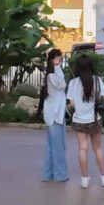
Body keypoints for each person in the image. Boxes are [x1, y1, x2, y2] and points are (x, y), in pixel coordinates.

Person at [67, 54, 104, 188]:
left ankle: (85, 179)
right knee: (97, 148)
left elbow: (72, 104)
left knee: (82, 149)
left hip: (79, 120)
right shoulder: (97, 80)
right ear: (91, 66)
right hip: (94, 120)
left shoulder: (73, 83)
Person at [40, 48, 68, 183]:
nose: (60, 59)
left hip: (56, 114)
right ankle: (59, 175)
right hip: (55, 115)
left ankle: (49, 174)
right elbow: (62, 84)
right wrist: (57, 67)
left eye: (60, 57)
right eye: (57, 57)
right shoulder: (52, 75)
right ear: (52, 61)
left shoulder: (53, 74)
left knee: (52, 146)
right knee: (58, 147)